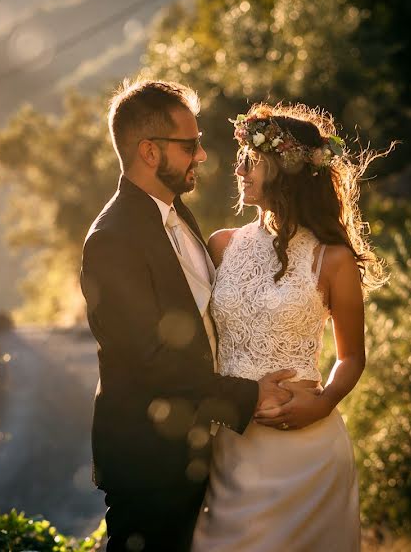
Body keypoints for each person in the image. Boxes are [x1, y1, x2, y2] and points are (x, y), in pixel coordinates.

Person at [80, 80, 309, 552]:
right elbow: (151, 361)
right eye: (190, 145)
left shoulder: (178, 214)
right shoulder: (112, 240)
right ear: (149, 151)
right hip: (150, 461)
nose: (203, 155)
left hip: (204, 451)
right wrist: (247, 395)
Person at [191, 102, 387, 552]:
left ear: (287, 170)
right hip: (234, 446)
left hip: (307, 452)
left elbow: (352, 356)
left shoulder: (333, 259)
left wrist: (325, 403)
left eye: (252, 161)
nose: (239, 171)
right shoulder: (222, 246)